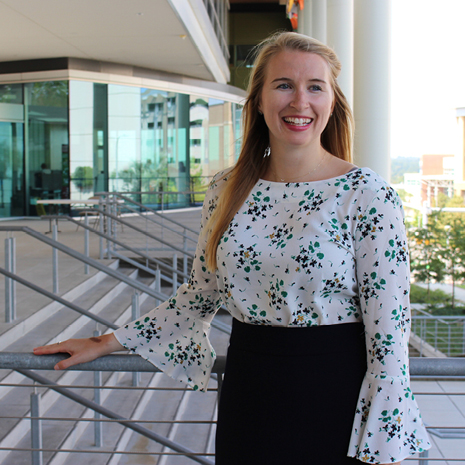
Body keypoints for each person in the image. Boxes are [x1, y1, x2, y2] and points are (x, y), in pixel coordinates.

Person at [34, 32, 430, 464]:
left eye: (315, 87)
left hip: (337, 392)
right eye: (283, 85)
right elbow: (199, 296)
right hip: (250, 388)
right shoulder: (227, 189)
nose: (300, 101)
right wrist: (105, 341)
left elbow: (389, 324)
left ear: (332, 101)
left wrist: (382, 439)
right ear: (259, 100)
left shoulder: (366, 193)